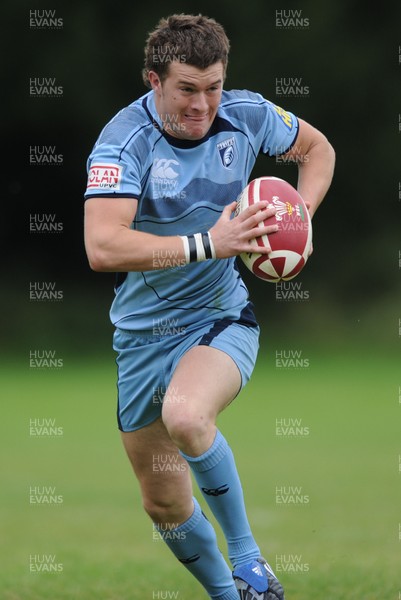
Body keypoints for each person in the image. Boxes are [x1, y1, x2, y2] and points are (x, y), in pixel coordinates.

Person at [83, 13, 335, 600]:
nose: (202, 104)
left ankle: (249, 561)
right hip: (140, 337)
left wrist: (300, 218)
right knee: (164, 502)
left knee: (189, 417)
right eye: (187, 89)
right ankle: (233, 595)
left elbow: (317, 149)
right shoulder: (124, 141)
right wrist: (209, 243)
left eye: (213, 86)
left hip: (219, 318)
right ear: (154, 80)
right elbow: (102, 246)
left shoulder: (247, 116)